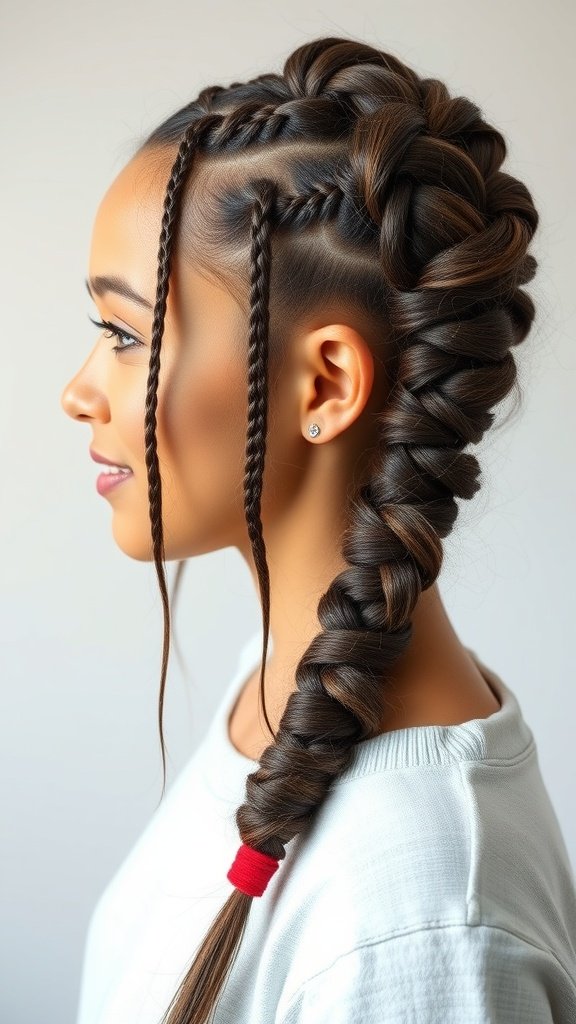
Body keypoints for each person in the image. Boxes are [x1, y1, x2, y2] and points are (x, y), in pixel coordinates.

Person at [60, 34, 576, 1024]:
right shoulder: (293, 671)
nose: (79, 393)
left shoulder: (423, 927)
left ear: (326, 383)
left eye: (127, 336)